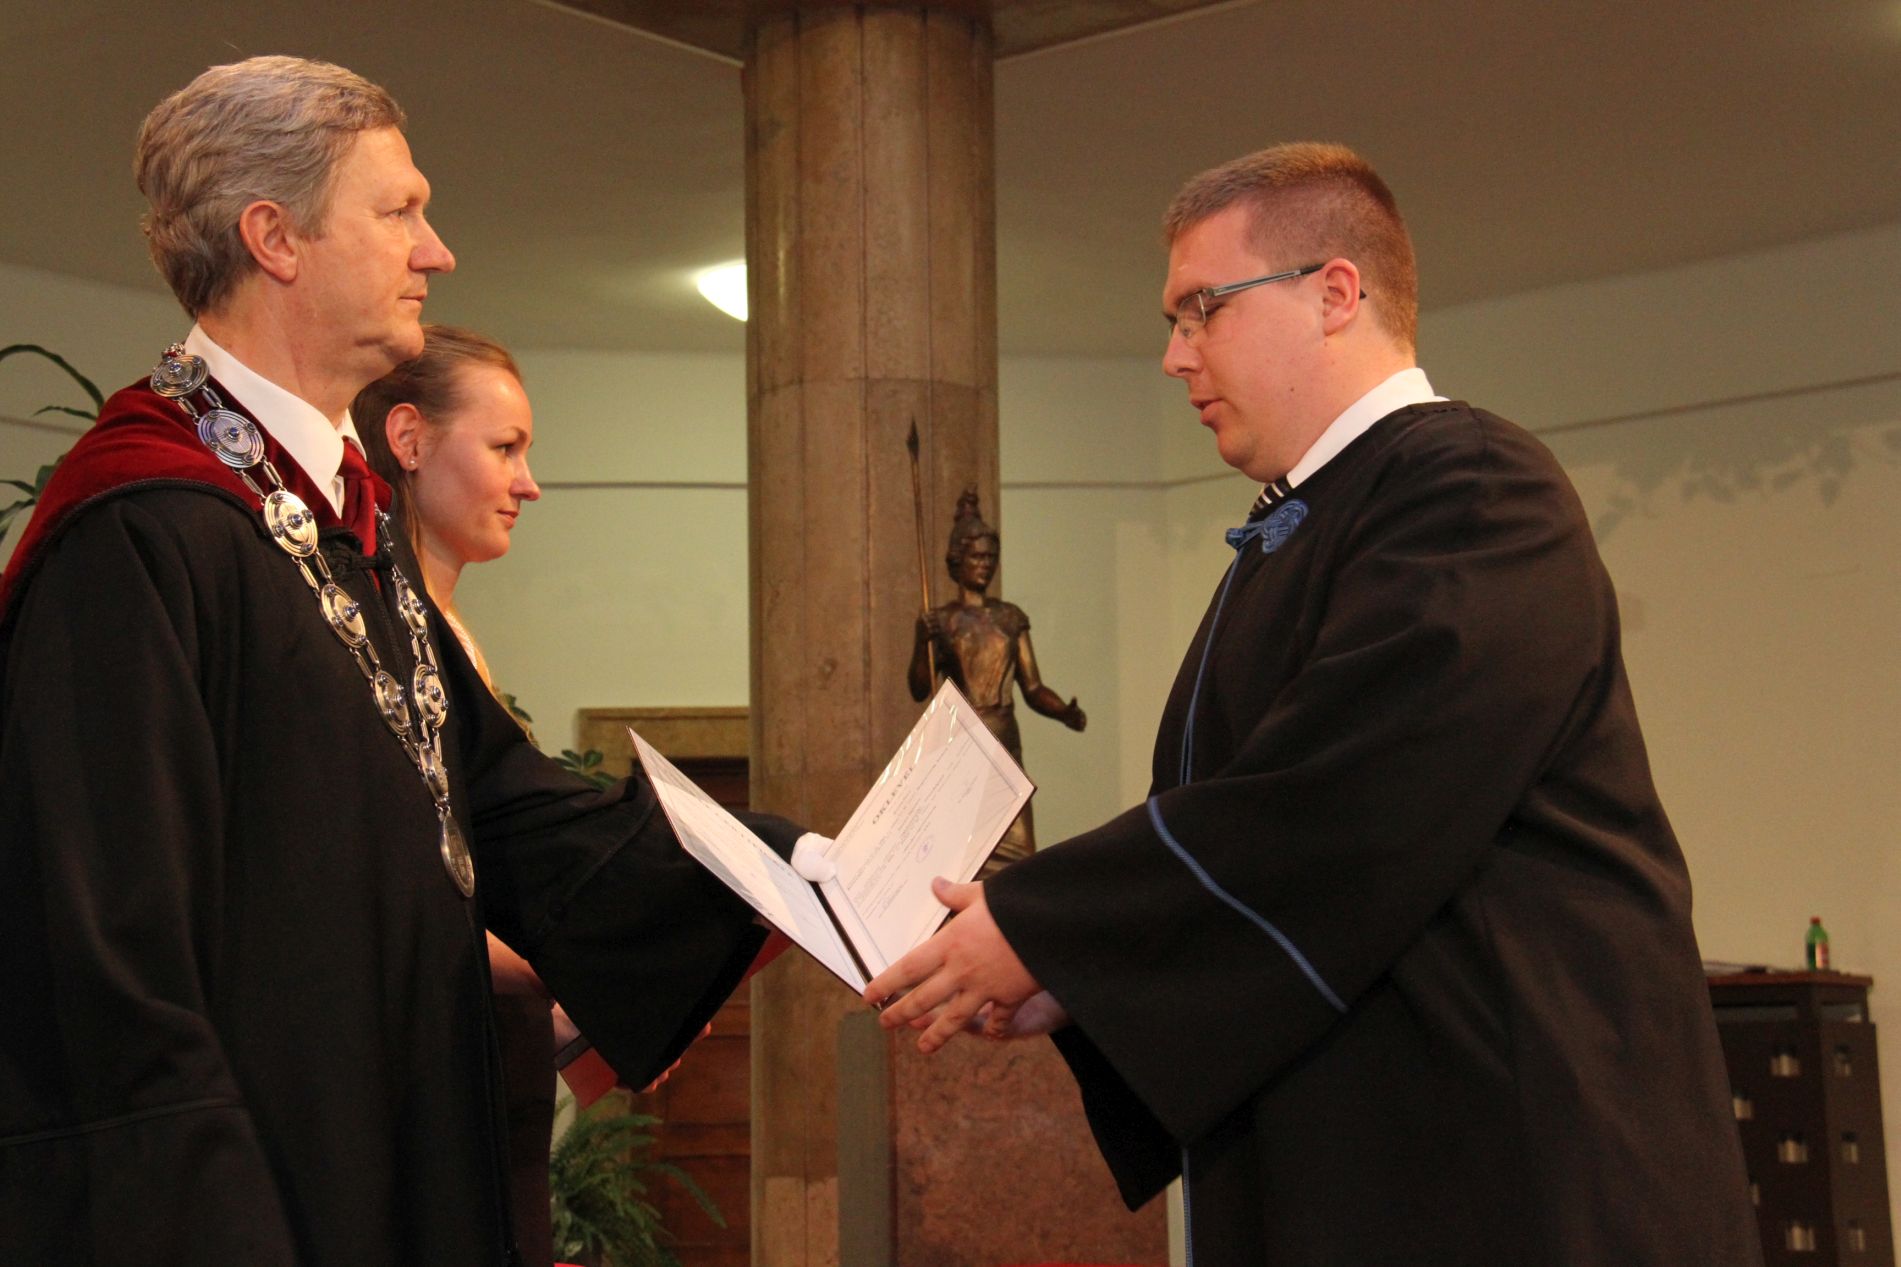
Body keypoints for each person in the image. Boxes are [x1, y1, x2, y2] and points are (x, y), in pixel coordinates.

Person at [865, 143, 1760, 1265]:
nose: (1172, 356)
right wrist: (1083, 976)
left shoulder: (1472, 486)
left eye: (1201, 309)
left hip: (1512, 1171)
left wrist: (1045, 923)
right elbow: (1257, 834)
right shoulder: (1301, 526)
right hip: (1376, 1155)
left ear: (1335, 293)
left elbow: (1340, 798)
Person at [0, 57, 792, 1267]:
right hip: (260, 1197)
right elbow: (105, 958)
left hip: (402, 1153)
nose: (438, 251)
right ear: (276, 238)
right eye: (400, 210)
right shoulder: (142, 527)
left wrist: (779, 866)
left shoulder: (346, 515)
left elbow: (507, 810)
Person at [907, 488, 1085, 872]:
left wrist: (1063, 712)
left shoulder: (1010, 617)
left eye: (991, 557)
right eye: (977, 557)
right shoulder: (942, 621)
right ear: (958, 561)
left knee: (1020, 854)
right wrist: (922, 642)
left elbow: (1033, 688)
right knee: (963, 857)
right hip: (963, 744)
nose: (985, 565)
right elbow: (919, 689)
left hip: (1004, 743)